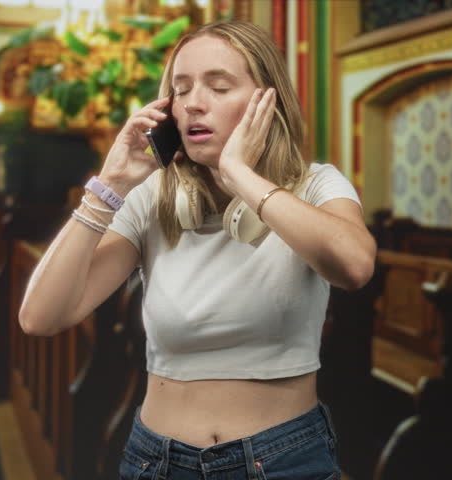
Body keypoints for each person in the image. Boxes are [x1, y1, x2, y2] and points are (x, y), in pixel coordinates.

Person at [19, 20, 376, 479]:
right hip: (158, 461)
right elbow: (41, 317)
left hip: (285, 460)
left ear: (268, 100)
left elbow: (354, 266)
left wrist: (240, 174)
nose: (193, 104)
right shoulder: (153, 197)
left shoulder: (315, 185)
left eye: (218, 86)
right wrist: (110, 185)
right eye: (181, 89)